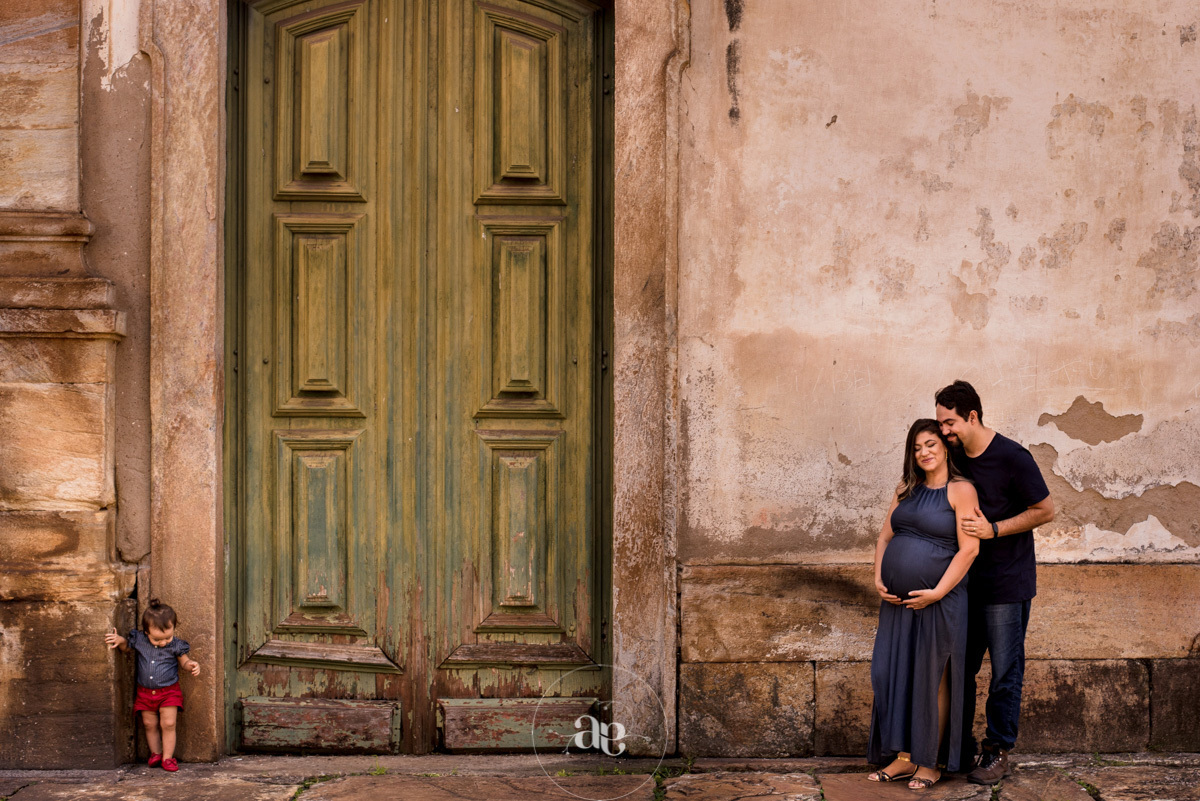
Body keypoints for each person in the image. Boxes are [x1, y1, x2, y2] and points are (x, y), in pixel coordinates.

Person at [935, 380, 1054, 785]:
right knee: (959, 670)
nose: (944, 431)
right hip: (965, 585)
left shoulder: (1012, 457)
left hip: (1007, 585)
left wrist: (996, 529)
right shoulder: (954, 458)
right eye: (941, 423)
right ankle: (960, 747)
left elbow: (1045, 509)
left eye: (950, 423)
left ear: (972, 416)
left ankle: (998, 751)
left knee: (1005, 671)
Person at [867, 419, 980, 790]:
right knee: (892, 673)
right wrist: (879, 577)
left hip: (939, 602)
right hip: (898, 603)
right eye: (917, 448)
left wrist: (937, 592)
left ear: (945, 447)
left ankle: (929, 762)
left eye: (930, 444)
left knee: (932, 679)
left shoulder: (961, 490)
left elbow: (969, 549)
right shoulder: (906, 489)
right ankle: (903, 757)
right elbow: (885, 537)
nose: (924, 453)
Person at [105, 599, 201, 772]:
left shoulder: (176, 645)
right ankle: (155, 753)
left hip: (169, 692)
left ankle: (168, 758)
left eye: (167, 637)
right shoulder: (140, 640)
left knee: (169, 723)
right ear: (146, 632)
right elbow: (127, 648)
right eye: (157, 639)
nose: (163, 642)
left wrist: (192, 665)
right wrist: (120, 640)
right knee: (149, 724)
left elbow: (184, 661)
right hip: (145, 693)